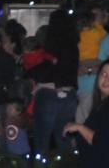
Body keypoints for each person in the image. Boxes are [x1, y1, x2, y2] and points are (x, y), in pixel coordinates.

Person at [32, 8, 80, 156]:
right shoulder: (74, 47)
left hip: (49, 94)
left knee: (42, 141)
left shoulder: (51, 45)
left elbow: (50, 72)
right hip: (69, 94)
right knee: (63, 139)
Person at [76, 7, 109, 122]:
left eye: (98, 15)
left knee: (85, 124)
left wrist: (89, 69)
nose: (94, 17)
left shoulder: (108, 40)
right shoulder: (80, 36)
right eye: (92, 14)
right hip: (80, 89)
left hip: (96, 90)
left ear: (105, 19)